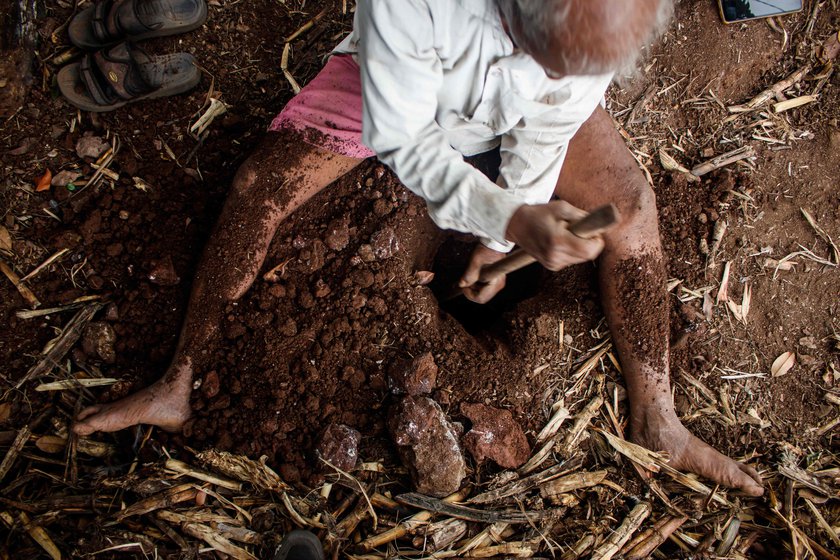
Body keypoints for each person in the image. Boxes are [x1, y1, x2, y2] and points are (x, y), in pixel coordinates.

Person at [73, 0, 764, 496]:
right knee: (261, 188)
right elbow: (406, 140)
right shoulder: (411, 7)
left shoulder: (593, 33)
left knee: (632, 208)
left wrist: (502, 235)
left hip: (511, 95)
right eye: (551, 60)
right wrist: (507, 213)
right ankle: (179, 382)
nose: (563, 75)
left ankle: (658, 419)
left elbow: (551, 121)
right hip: (403, 90)